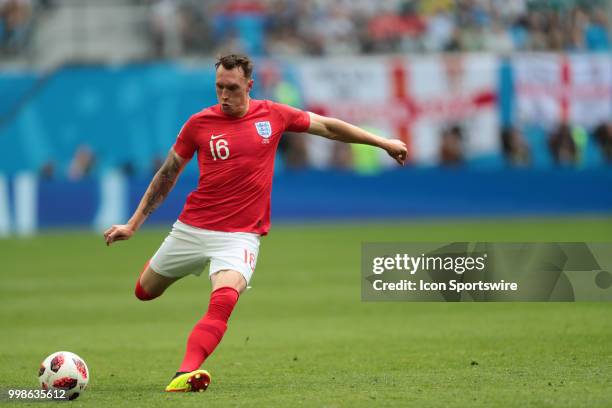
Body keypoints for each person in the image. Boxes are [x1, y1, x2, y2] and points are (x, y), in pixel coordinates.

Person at [103, 54, 407, 392]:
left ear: (249, 85)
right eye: (219, 87)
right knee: (144, 292)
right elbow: (168, 174)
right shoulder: (198, 124)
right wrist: (132, 225)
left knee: (224, 299)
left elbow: (329, 127)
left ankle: (184, 374)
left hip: (240, 238)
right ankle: (176, 271)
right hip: (192, 228)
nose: (224, 95)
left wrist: (383, 142)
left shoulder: (273, 115)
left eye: (231, 88)